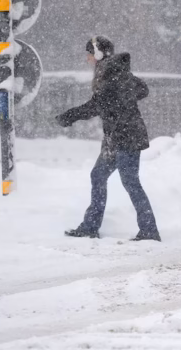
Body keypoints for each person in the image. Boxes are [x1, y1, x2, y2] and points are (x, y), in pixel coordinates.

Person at [57, 36, 161, 241]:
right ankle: (90, 226)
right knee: (98, 176)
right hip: (115, 136)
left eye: (89, 54)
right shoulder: (112, 73)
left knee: (130, 181)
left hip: (127, 135)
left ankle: (149, 230)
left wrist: (70, 116)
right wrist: (122, 101)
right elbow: (139, 90)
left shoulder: (113, 75)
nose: (87, 59)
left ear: (98, 54)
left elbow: (96, 105)